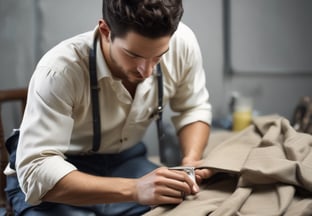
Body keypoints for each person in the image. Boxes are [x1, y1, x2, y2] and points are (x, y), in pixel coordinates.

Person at [5, 0, 213, 215]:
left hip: (126, 162)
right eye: (134, 55)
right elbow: (37, 170)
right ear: (106, 30)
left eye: (158, 56)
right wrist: (134, 189)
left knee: (195, 207)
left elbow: (193, 108)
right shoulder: (59, 70)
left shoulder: (182, 42)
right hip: (58, 173)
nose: (147, 71)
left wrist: (191, 160)